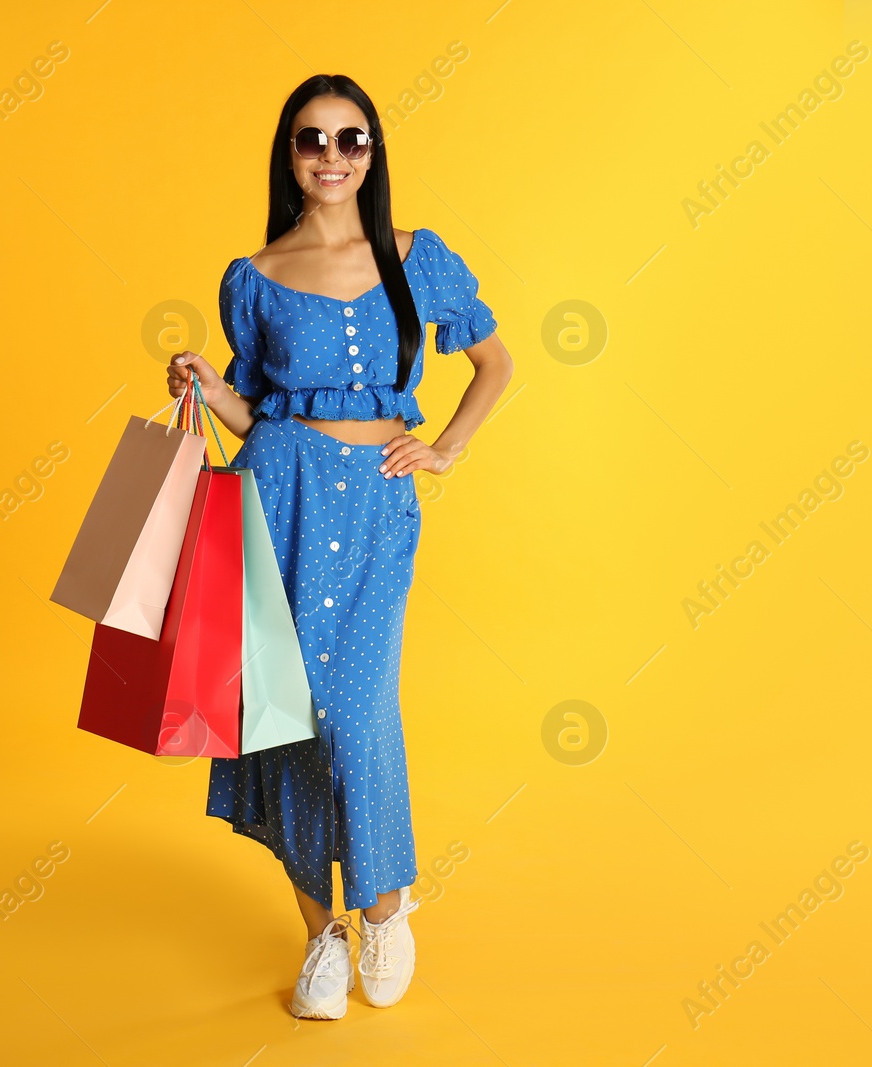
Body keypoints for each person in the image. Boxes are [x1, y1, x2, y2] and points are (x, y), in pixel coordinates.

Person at [166, 73, 513, 1020]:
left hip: (373, 510)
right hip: (277, 497)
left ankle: (388, 906)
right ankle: (320, 931)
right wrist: (206, 379)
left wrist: (444, 445)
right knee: (282, 713)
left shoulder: (414, 256)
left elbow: (494, 361)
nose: (331, 157)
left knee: (355, 709)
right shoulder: (254, 273)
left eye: (350, 139)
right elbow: (254, 416)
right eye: (311, 140)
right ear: (288, 154)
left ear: (373, 151)